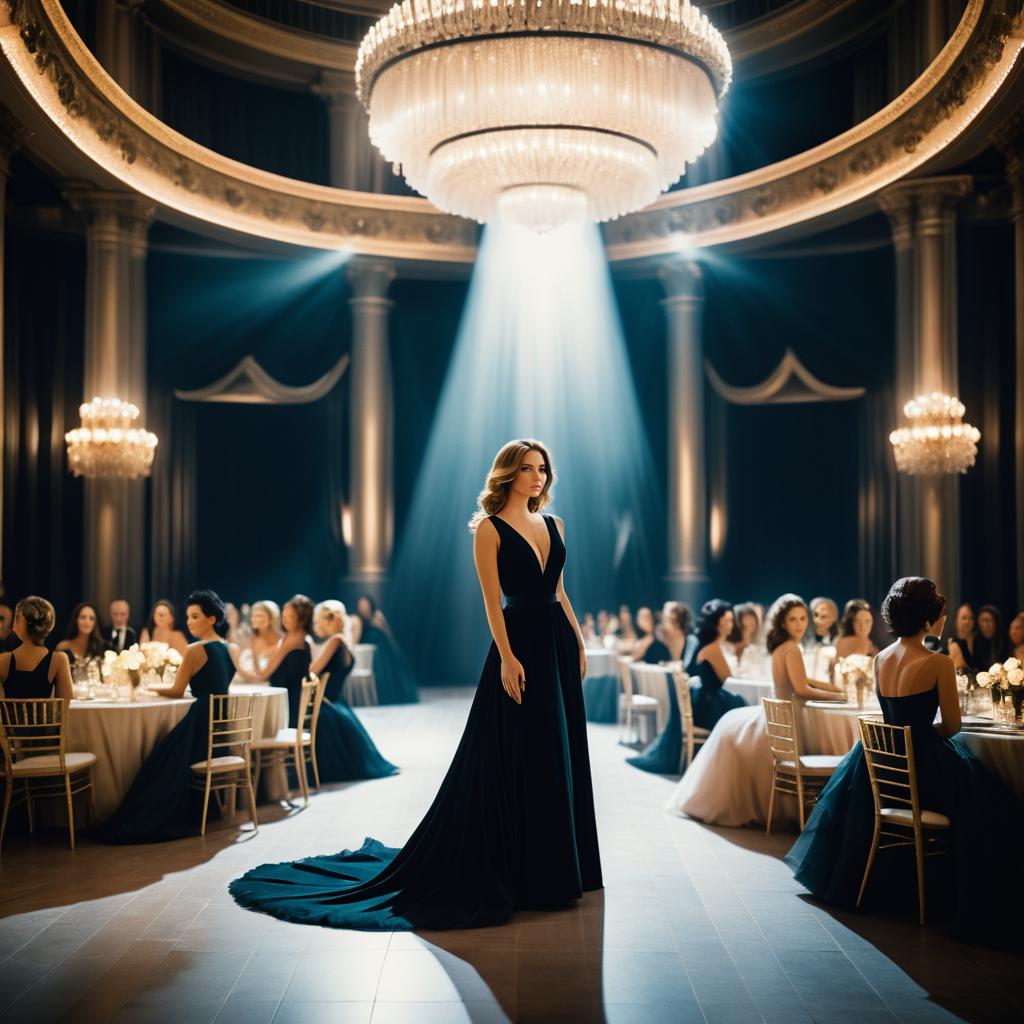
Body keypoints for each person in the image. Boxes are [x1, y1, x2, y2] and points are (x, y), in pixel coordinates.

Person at [230, 438, 603, 930]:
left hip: (555, 643)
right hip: (518, 647)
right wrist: (508, 658)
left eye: (543, 469)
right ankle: (527, 873)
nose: (539, 477)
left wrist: (578, 644)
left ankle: (561, 870)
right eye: (529, 469)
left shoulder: (555, 525)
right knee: (518, 754)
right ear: (509, 474)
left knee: (560, 751)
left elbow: (560, 592)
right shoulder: (488, 530)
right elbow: (493, 604)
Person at [785, 577, 1024, 941]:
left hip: (880, 764)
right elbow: (953, 726)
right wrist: (925, 741)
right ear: (928, 620)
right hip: (921, 767)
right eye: (941, 614)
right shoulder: (938, 663)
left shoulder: (880, 658)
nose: (943, 620)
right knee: (992, 806)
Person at [665, 594, 844, 827]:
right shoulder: (791, 648)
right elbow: (801, 689)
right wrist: (838, 696)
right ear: (783, 623)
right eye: (793, 620)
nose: (799, 624)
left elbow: (803, 679)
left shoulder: (784, 647)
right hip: (788, 718)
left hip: (779, 714)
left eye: (802, 619)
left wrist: (830, 686)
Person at [99, 590, 240, 843]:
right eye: (188, 616)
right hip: (219, 730)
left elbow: (176, 690)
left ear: (211, 619)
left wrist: (147, 688)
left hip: (199, 724)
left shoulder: (196, 649)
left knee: (158, 760)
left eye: (195, 616)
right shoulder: (228, 648)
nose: (189, 622)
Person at [242, 595, 397, 784]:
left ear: (329, 620)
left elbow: (312, 671)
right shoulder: (340, 641)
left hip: (327, 703)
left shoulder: (335, 641)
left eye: (318, 620)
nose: (315, 625)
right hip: (336, 703)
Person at [688, 599, 748, 731]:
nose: (731, 625)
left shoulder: (712, 646)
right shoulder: (713, 649)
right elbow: (728, 679)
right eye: (728, 621)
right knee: (743, 704)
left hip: (705, 701)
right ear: (718, 623)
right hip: (710, 706)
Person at [0, 596, 73, 702]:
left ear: (20, 620)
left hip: (9, 720)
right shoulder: (59, 660)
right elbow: (65, 706)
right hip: (47, 719)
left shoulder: (3, 661)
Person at [351, 594, 419, 704]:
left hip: (382, 648)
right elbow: (355, 639)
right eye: (361, 606)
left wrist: (394, 648)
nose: (364, 608)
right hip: (369, 651)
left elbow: (388, 633)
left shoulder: (377, 616)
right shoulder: (357, 620)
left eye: (365, 605)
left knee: (387, 670)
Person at [947, 603, 982, 673]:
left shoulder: (978, 640)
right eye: (964, 618)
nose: (967, 621)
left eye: (971, 618)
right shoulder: (953, 643)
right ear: (957, 620)